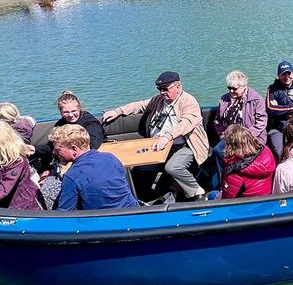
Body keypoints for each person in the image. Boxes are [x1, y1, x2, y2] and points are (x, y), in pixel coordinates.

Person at [102, 71, 209, 201]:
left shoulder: (189, 102)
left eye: (165, 89)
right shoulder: (159, 100)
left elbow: (186, 124)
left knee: (173, 167)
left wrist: (167, 137)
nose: (162, 92)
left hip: (185, 145)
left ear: (178, 87)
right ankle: (146, 198)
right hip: (158, 145)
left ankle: (197, 191)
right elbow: (141, 105)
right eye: (159, 89)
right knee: (140, 169)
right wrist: (118, 111)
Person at [50, 124, 138, 210]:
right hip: (133, 211)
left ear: (74, 149)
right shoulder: (110, 157)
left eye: (58, 150)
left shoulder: (72, 176)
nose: (54, 152)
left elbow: (66, 213)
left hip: (104, 220)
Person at [32, 91, 105, 174]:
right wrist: (34, 149)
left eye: (74, 111)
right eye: (66, 112)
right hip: (66, 158)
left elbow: (91, 146)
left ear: (79, 108)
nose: (70, 115)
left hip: (91, 159)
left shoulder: (91, 124)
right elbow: (52, 147)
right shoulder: (60, 124)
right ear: (60, 112)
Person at [265, 60, 293, 159]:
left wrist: (280, 109)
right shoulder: (272, 89)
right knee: (279, 152)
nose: (286, 77)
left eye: (289, 73)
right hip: (277, 128)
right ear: (278, 75)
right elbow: (271, 109)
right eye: (283, 74)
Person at [220, 124, 275, 199]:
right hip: (267, 201)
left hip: (246, 208)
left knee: (213, 195)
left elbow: (227, 200)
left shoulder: (233, 171)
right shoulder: (266, 152)